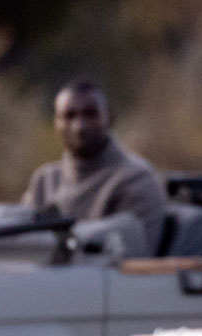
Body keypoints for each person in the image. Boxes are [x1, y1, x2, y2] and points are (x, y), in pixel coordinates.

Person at [23, 81, 169, 249]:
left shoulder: (136, 179)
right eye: (69, 116)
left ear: (110, 118)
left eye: (90, 114)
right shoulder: (45, 179)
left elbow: (134, 257)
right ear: (56, 123)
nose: (79, 127)